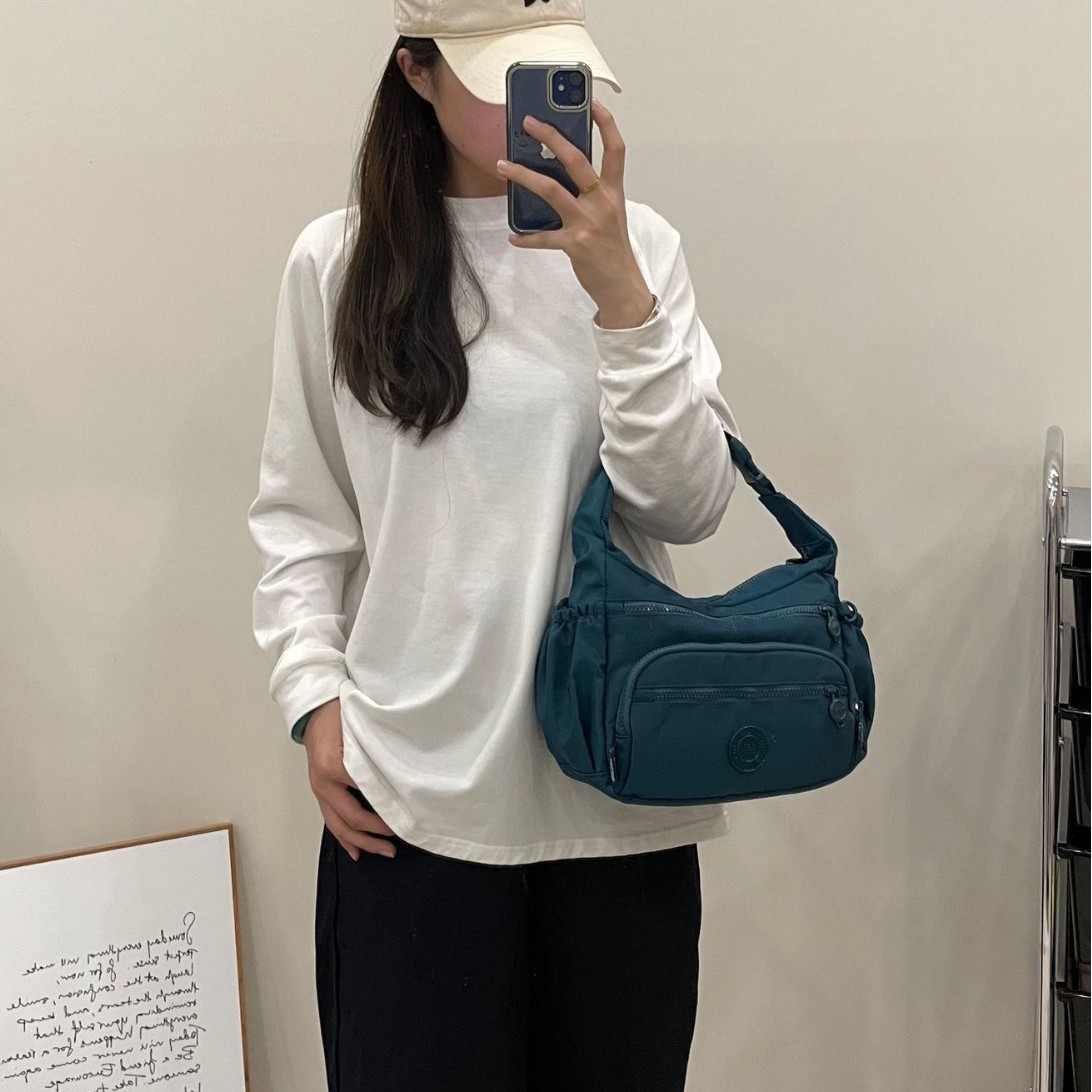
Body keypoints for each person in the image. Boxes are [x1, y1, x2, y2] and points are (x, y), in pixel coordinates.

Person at [247, 1, 744, 1088]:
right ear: (415, 74)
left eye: (560, 74)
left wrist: (620, 297)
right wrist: (314, 699)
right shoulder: (337, 262)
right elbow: (300, 514)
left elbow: (691, 505)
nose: (541, 106)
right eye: (499, 78)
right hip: (408, 800)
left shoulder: (642, 248)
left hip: (615, 792)